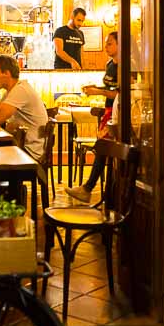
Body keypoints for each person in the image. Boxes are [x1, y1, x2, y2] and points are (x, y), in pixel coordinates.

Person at [66, 30, 118, 204]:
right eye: (105, 43)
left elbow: (119, 93)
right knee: (102, 148)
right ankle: (103, 193)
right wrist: (95, 87)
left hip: (118, 113)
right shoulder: (110, 64)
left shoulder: (126, 65)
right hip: (109, 112)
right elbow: (109, 88)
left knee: (103, 148)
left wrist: (98, 91)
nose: (106, 46)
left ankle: (90, 189)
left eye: (110, 43)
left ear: (120, 44)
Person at [0, 54, 48, 160]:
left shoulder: (21, 90)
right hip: (22, 146)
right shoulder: (12, 91)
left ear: (6, 73)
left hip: (28, 153)